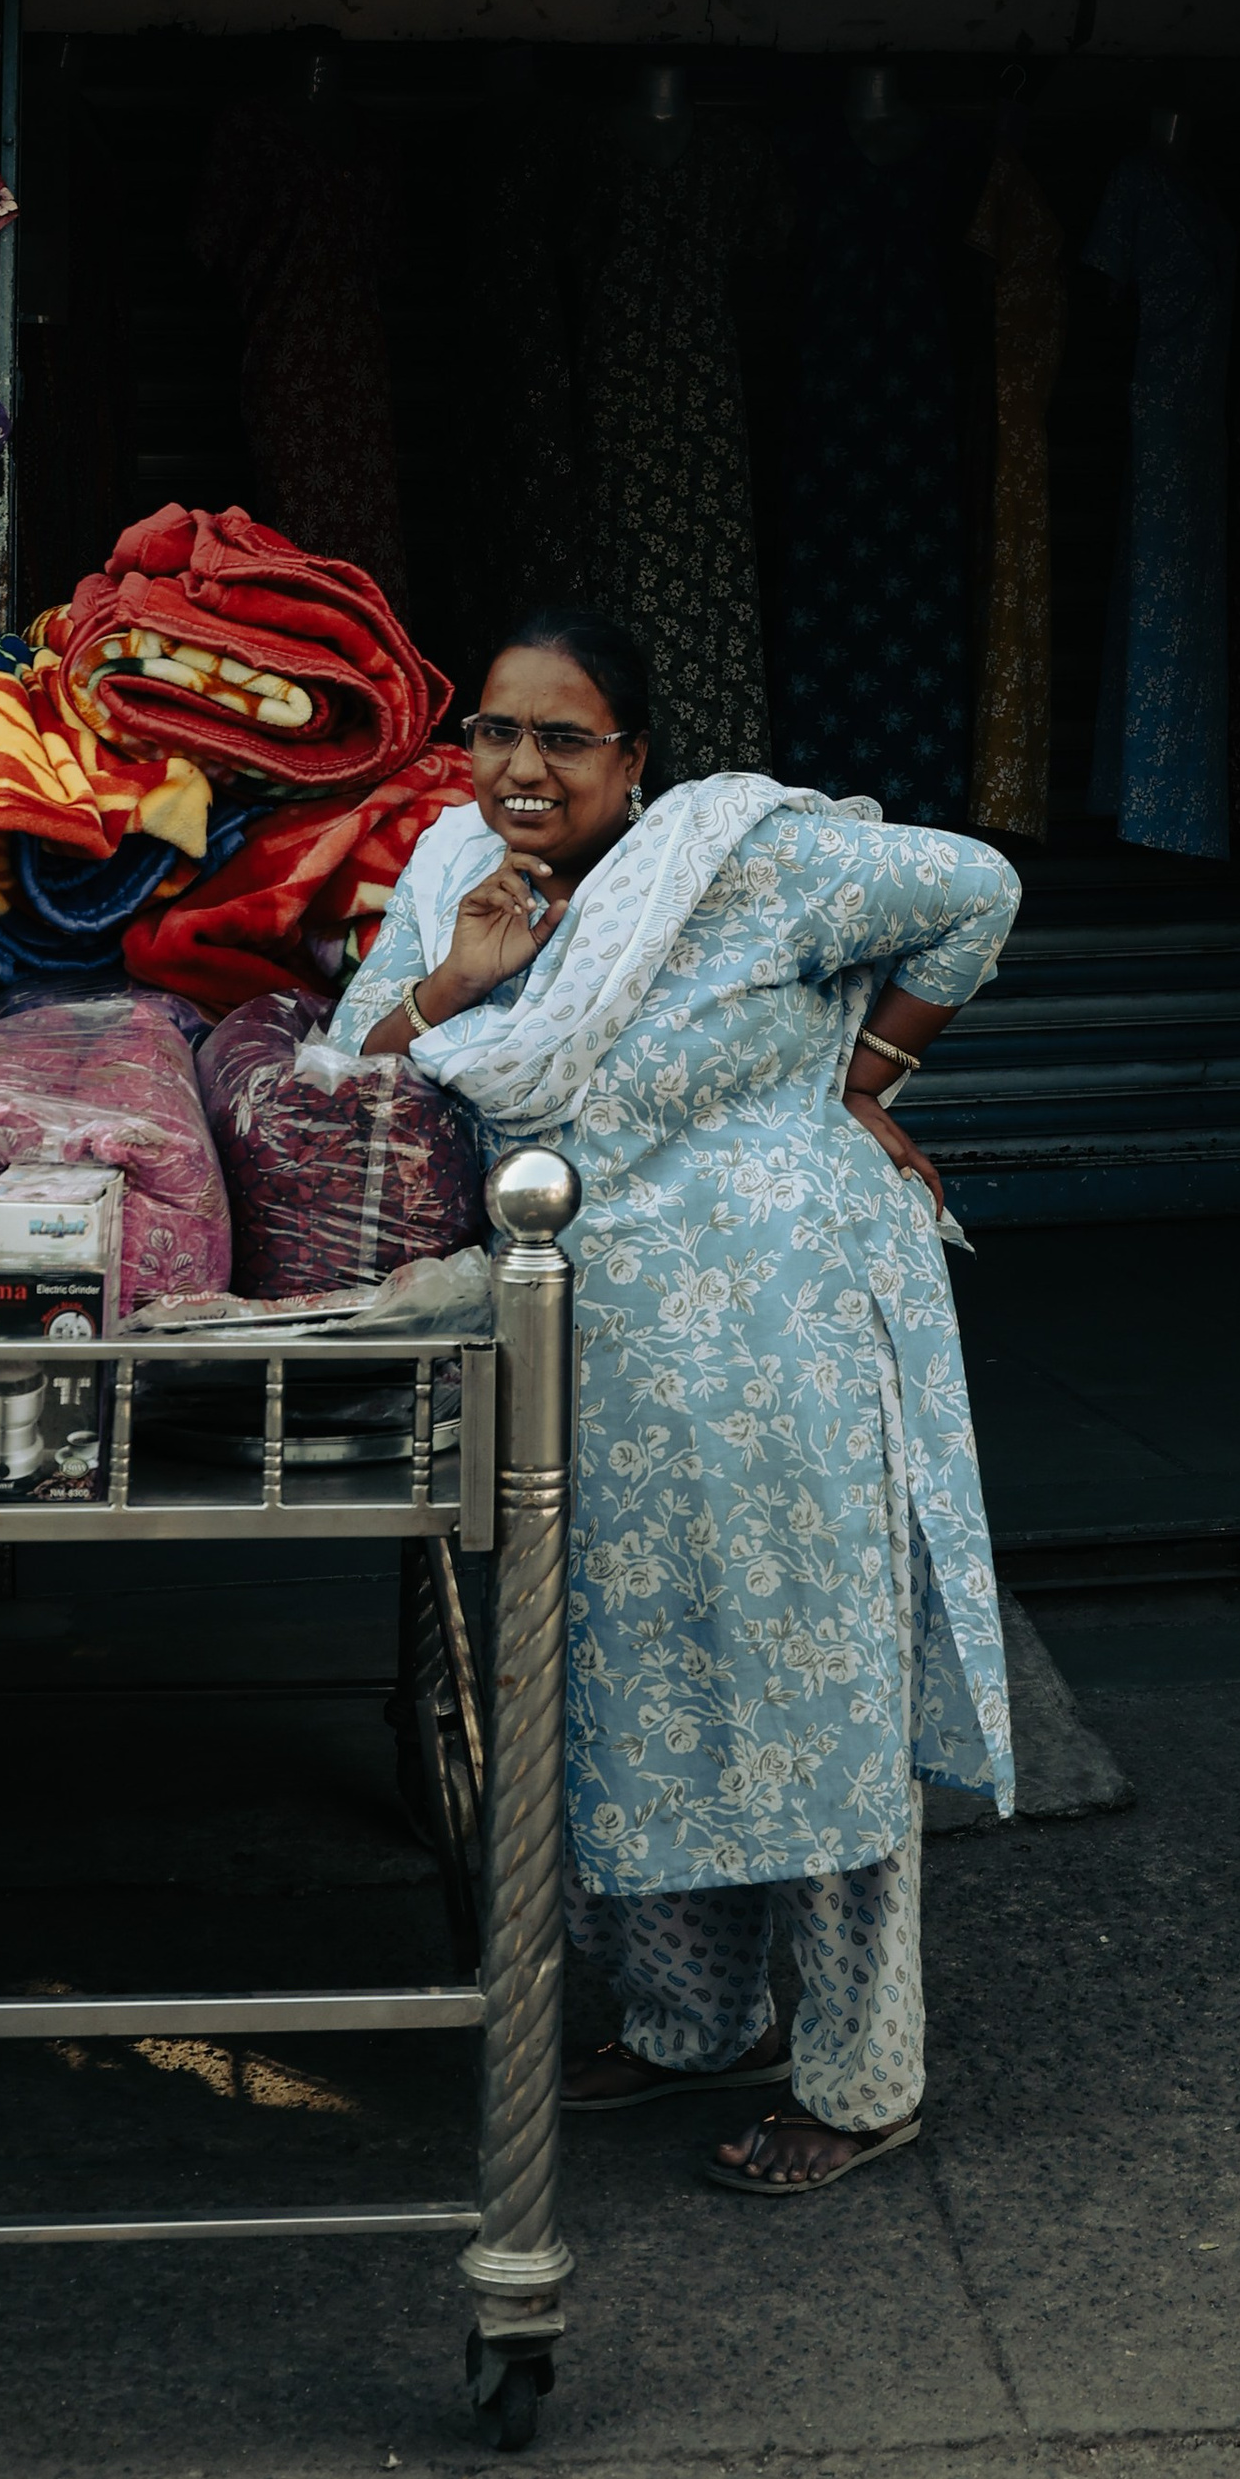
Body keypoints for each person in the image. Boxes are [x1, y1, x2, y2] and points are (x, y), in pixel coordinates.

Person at [329, 606, 1020, 2194]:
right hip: (592, 1359)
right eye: (496, 731)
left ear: (632, 757)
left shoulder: (743, 863)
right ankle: (695, 2022)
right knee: (627, 1695)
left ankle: (862, 2081)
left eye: (562, 738)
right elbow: (352, 1063)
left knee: (810, 1695)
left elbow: (977, 890)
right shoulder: (452, 878)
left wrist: (867, 1080)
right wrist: (460, 980)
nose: (521, 766)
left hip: (780, 1348)